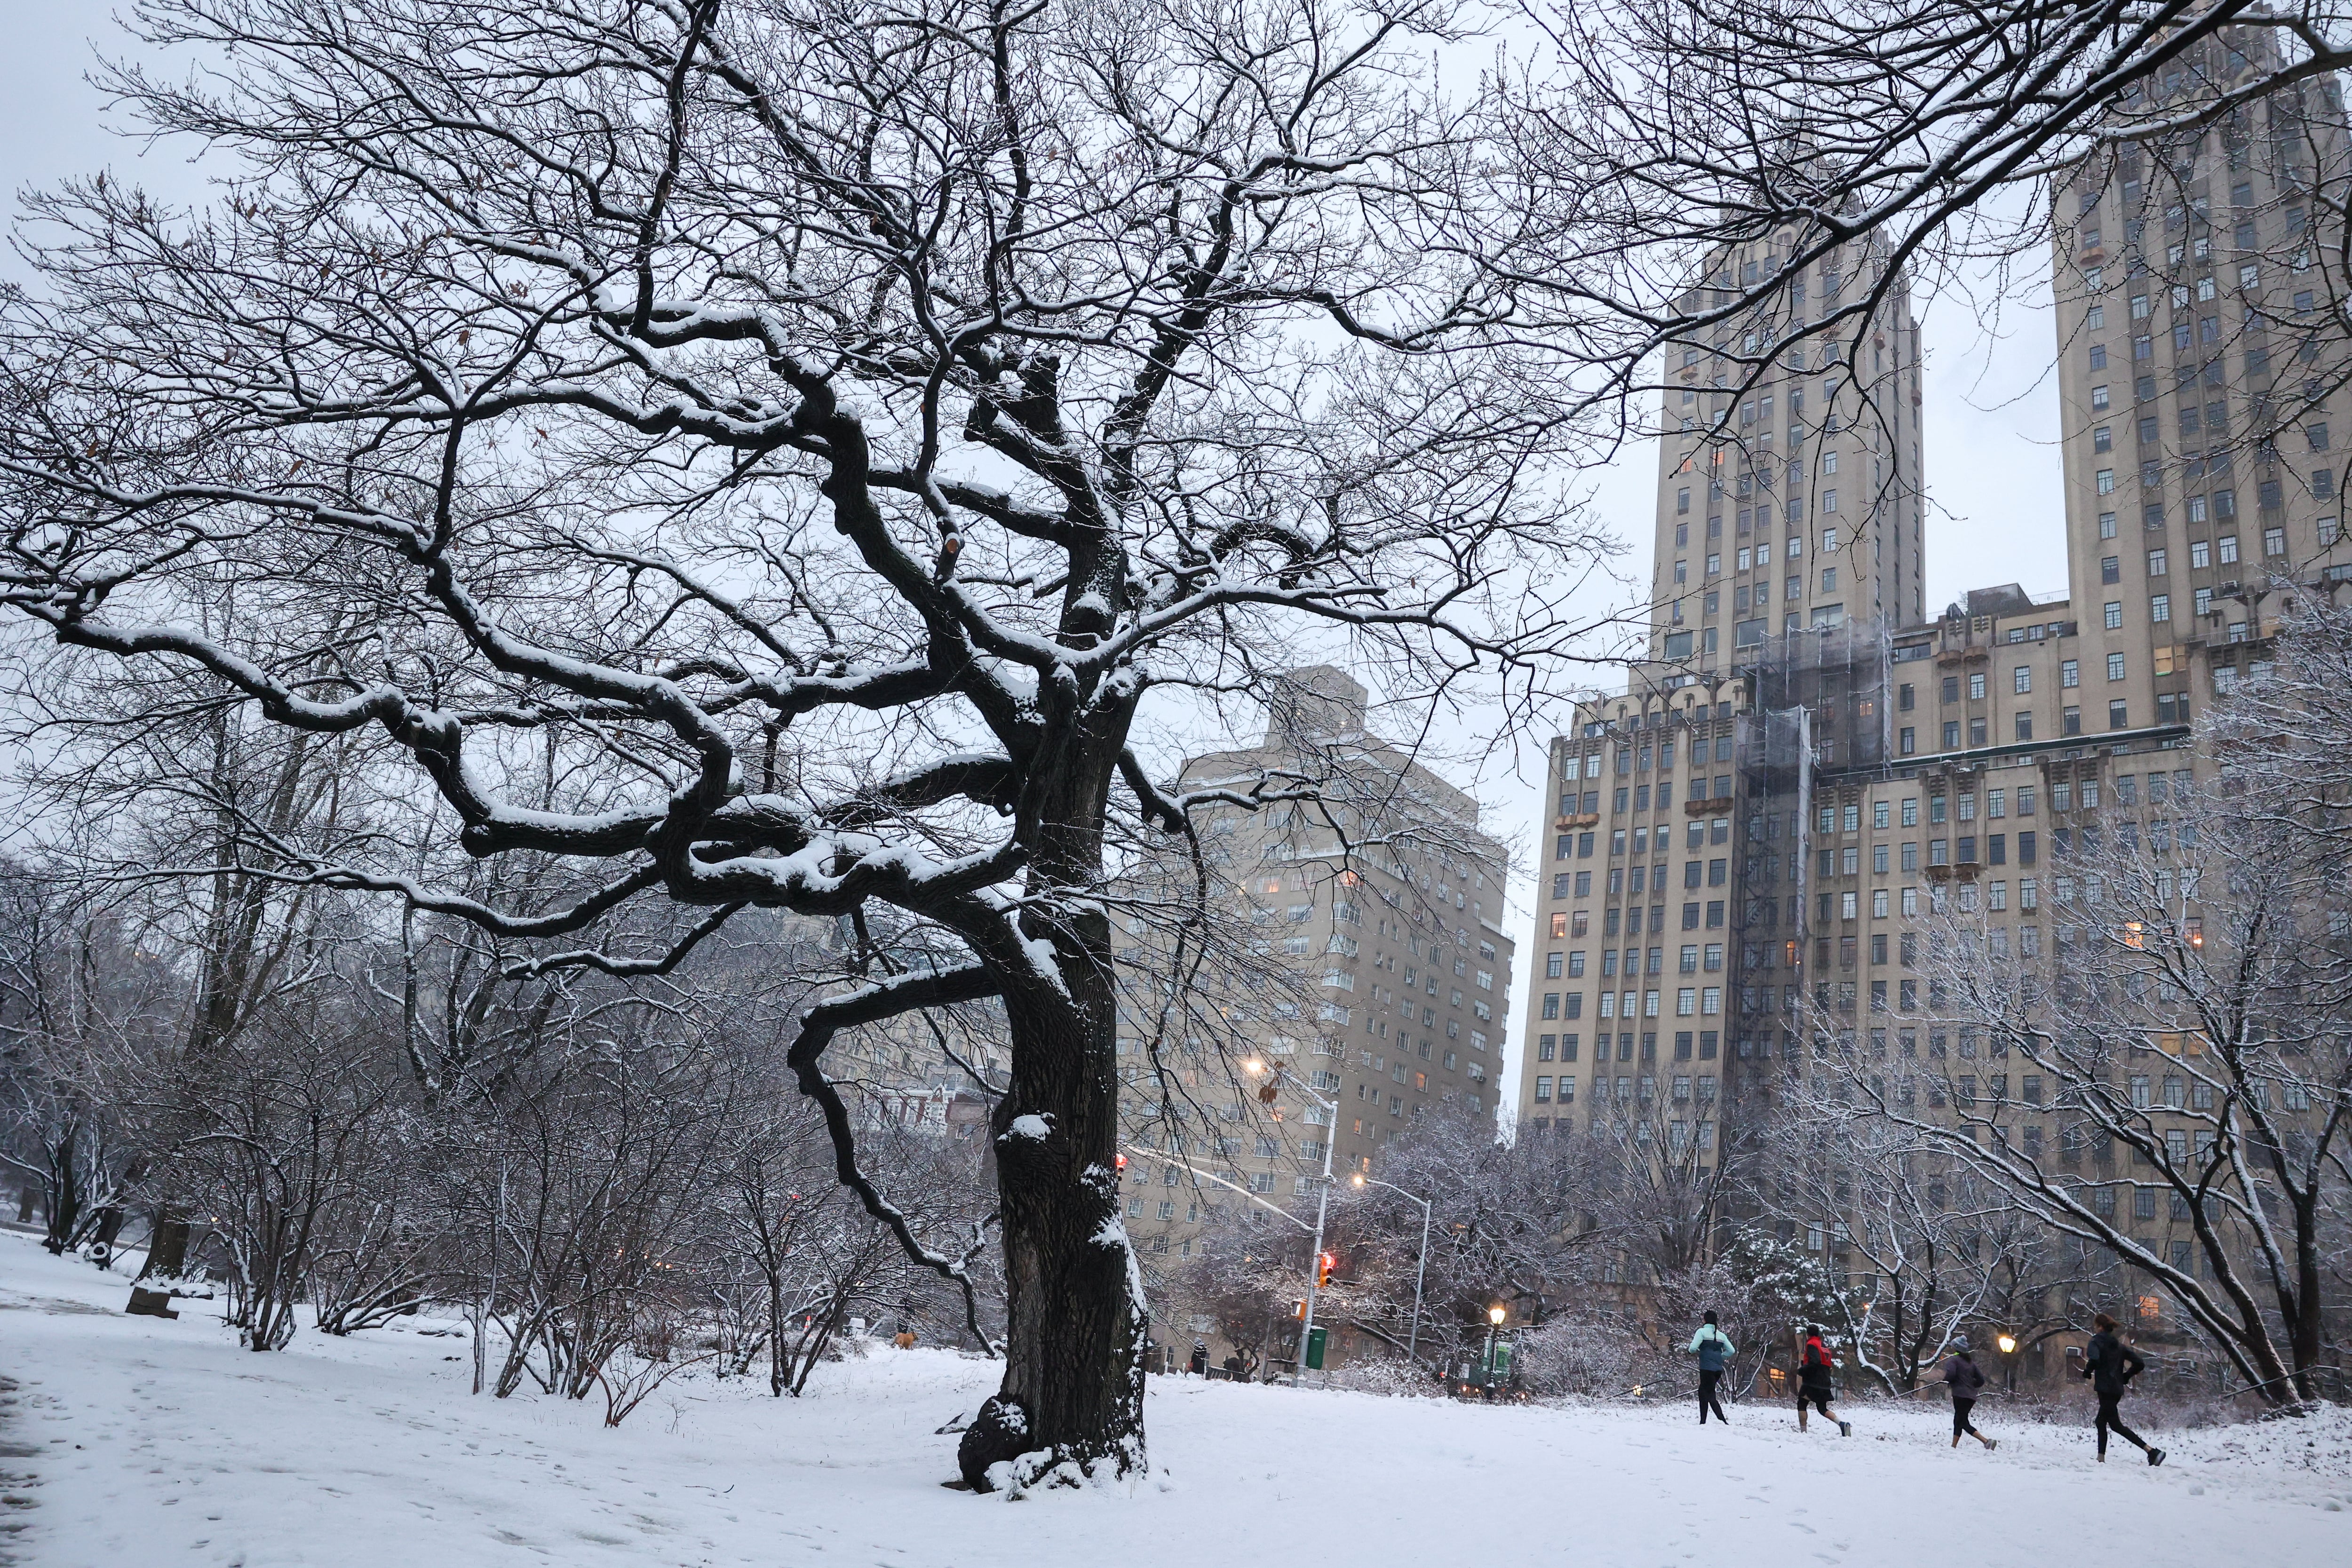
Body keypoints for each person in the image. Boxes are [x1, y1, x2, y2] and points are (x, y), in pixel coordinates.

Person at [2082, 1313, 2163, 1466]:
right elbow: (2140, 1363)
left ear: (2099, 1327)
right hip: (2117, 1389)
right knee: (2101, 1422)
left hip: (2105, 1388)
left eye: (2096, 1326)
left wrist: (2088, 1371)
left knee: (2115, 1425)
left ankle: (2152, 1452)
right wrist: (2126, 1377)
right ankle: (2100, 1459)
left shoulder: (2096, 1341)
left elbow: (2094, 1358)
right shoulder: (2119, 1346)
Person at [1938, 1340, 1996, 1451]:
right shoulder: (1971, 1363)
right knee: (1958, 1420)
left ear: (1956, 1348)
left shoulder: (1953, 1360)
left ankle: (1986, 1442)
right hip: (1971, 1397)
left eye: (1952, 1347)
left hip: (1960, 1395)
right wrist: (1970, 1386)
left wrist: (1948, 1381)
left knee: (1963, 1422)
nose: (1951, 1349)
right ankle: (1953, 1447)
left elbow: (1951, 1375)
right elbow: (1981, 1380)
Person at [1796, 1325, 1851, 1437]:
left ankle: (1803, 1433)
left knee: (1802, 1404)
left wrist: (1802, 1370)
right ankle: (1842, 1424)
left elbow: (1815, 1361)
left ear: (1808, 1334)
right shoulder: (1824, 1346)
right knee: (1822, 1408)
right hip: (1824, 1380)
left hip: (1812, 1381)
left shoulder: (1811, 1344)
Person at [1688, 1311, 1736, 1424]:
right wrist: (1721, 1357)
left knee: (1709, 1395)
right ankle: (1703, 1422)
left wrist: (1694, 1351)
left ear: (1705, 1320)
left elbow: (1693, 1348)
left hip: (1706, 1368)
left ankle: (1723, 1421)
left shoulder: (1702, 1332)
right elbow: (1732, 1351)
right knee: (1703, 1392)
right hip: (1717, 1369)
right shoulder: (1721, 1335)